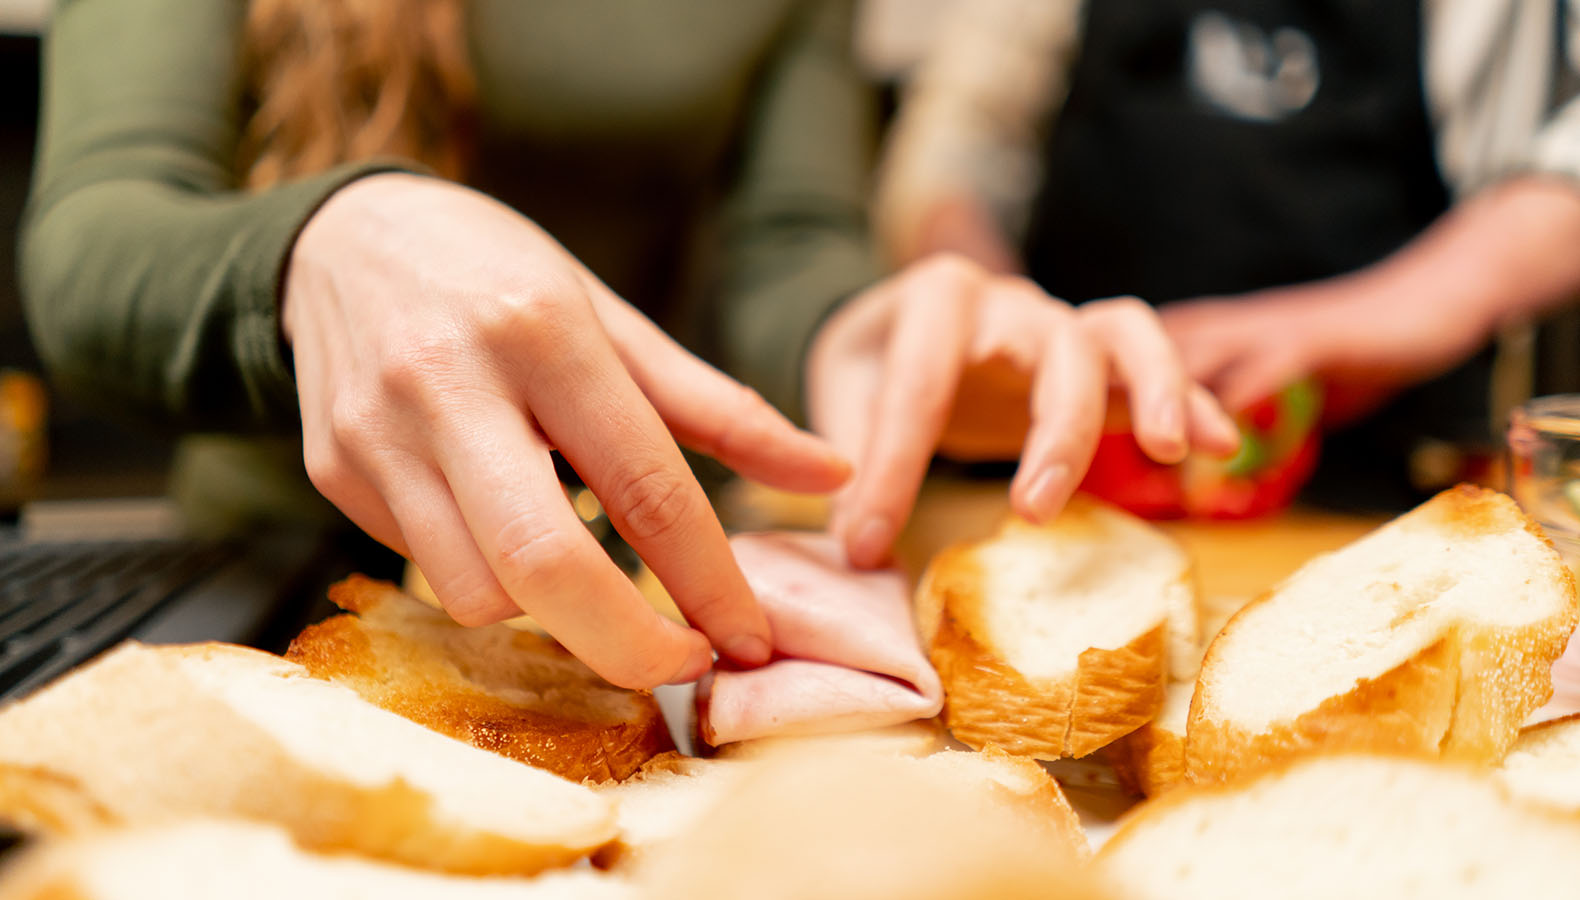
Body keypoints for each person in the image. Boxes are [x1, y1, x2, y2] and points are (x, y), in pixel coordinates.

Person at [19, 0, 1233, 689]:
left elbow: (792, 249)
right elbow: (89, 245)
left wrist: (866, 344)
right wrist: (323, 240)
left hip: (645, 605)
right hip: (260, 591)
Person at [876, 0, 1580, 507]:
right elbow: (959, 146)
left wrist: (1392, 312)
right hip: (1050, 478)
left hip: (1376, 481)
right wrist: (1000, 313)